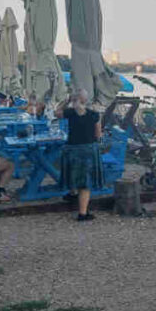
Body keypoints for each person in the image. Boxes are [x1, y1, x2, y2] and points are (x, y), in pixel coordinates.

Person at [56, 89, 103, 222]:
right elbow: (98, 135)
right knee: (85, 183)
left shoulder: (69, 112)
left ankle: (72, 194)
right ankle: (82, 213)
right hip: (88, 149)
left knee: (73, 173)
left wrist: (66, 101)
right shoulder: (94, 114)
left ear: (74, 99)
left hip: (72, 149)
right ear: (86, 100)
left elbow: (57, 112)